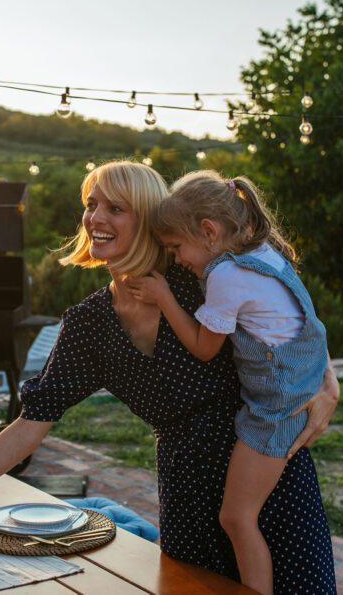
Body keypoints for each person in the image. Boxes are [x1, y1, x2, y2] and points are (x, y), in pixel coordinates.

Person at [0, 160, 338, 593]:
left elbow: (282, 312)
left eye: (116, 207)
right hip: (186, 500)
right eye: (91, 205)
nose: (96, 218)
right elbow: (28, 426)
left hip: (270, 482)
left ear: (149, 217)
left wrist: (325, 377)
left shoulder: (197, 280)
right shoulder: (89, 326)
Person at [126, 170, 328, 595]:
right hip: (298, 381)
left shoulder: (226, 276)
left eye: (177, 247)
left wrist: (164, 297)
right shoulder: (265, 252)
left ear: (209, 231)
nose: (178, 259)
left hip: (275, 407)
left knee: (236, 517)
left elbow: (204, 347)